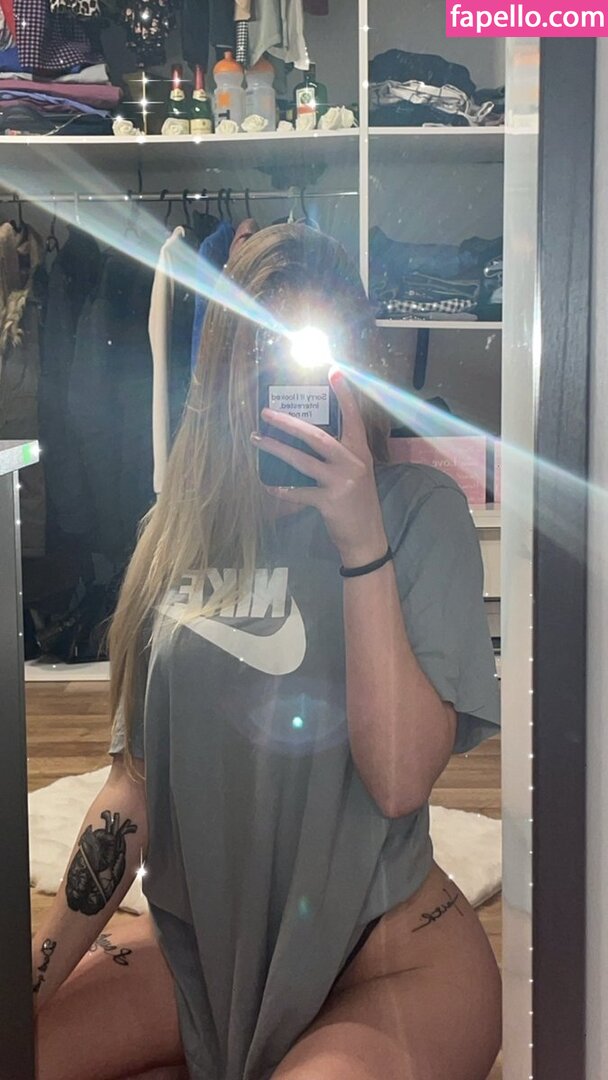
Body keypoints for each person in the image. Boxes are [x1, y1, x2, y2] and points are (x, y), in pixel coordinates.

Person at [33, 224, 501, 1080]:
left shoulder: (417, 511)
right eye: (260, 350)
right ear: (221, 368)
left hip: (385, 963)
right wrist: (27, 986)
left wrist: (358, 537)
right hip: (202, 959)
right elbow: (132, 788)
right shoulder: (175, 532)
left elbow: (399, 780)